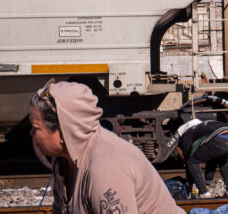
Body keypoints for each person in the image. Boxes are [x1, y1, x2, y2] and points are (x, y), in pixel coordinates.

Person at [29, 81, 184, 213]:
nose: (31, 133)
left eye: (36, 128)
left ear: (63, 129)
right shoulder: (62, 161)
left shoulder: (105, 170)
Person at [167, 118, 228, 198]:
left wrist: (189, 185)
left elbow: (188, 162)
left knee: (192, 161)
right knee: (221, 159)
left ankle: (204, 193)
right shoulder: (203, 126)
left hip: (220, 137)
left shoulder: (187, 133)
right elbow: (212, 159)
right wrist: (207, 183)